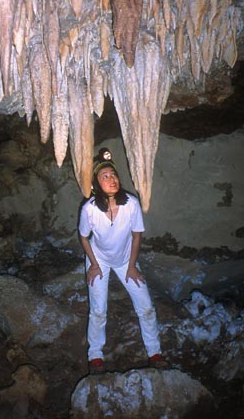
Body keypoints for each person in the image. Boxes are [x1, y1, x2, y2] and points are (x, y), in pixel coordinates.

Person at [78, 147, 169, 374]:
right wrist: (94, 265)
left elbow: (137, 235)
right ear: (97, 184)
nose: (112, 179)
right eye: (105, 176)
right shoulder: (89, 209)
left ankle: (155, 352)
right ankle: (95, 356)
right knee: (98, 310)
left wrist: (131, 266)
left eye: (114, 175)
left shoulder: (131, 203)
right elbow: (83, 237)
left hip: (126, 259)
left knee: (146, 306)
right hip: (99, 259)